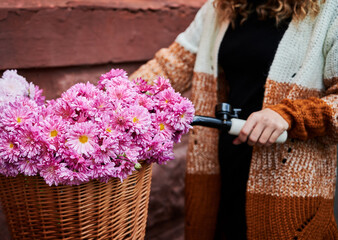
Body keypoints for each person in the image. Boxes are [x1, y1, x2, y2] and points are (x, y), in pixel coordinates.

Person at [130, 0, 338, 239]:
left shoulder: (329, 11)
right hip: (221, 169)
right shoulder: (218, 9)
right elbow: (169, 67)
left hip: (287, 184)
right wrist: (111, 99)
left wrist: (290, 115)